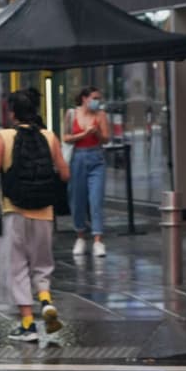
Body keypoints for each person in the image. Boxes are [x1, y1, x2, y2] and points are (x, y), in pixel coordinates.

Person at [0, 88, 70, 342]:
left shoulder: (4, 137)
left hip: (15, 211)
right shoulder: (49, 136)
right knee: (42, 265)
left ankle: (28, 324)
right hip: (44, 212)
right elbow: (65, 174)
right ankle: (46, 300)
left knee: (17, 267)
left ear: (12, 113)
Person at [63, 86, 111, 257]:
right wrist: (84, 134)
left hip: (96, 157)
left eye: (99, 98)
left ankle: (98, 239)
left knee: (96, 199)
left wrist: (96, 132)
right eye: (94, 97)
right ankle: (80, 235)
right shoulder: (71, 114)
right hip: (78, 158)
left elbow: (106, 139)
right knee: (77, 199)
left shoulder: (101, 115)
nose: (97, 101)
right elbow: (66, 137)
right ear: (84, 98)